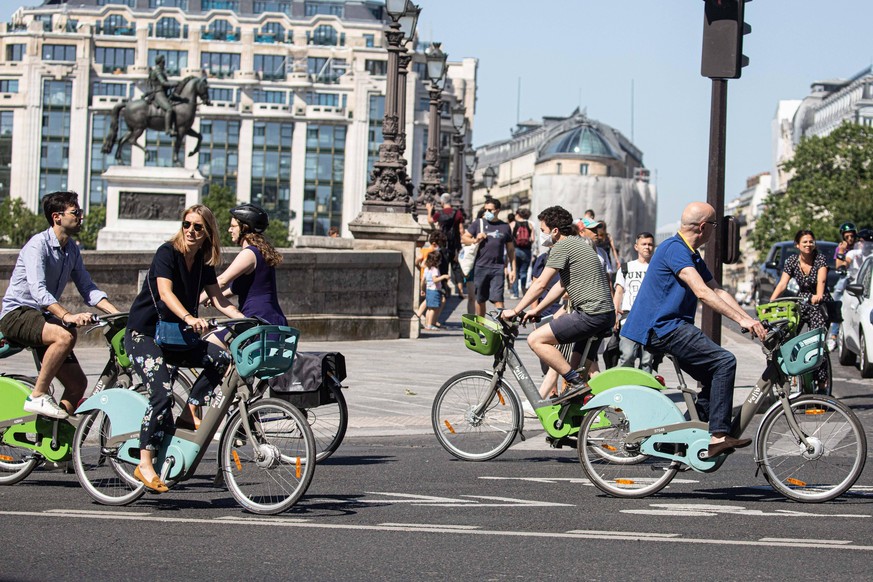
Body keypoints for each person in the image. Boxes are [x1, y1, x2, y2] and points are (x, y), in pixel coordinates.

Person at [621, 202, 766, 458]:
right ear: (703, 227)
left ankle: (680, 439)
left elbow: (717, 289)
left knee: (714, 375)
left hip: (671, 326)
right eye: (714, 225)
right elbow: (702, 292)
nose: (714, 230)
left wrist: (750, 320)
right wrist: (741, 321)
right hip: (663, 327)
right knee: (724, 362)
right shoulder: (675, 250)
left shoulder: (691, 254)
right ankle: (718, 436)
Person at [125, 204, 246, 493]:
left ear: (208, 233)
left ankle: (190, 410)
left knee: (221, 360)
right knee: (162, 394)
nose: (191, 231)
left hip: (175, 337)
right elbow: (165, 293)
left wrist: (248, 320)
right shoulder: (167, 253)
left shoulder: (204, 259)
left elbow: (218, 299)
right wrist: (190, 317)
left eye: (198, 227)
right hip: (145, 334)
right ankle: (144, 462)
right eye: (187, 225)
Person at [0, 191, 119, 419]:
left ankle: (55, 440)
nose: (81, 217)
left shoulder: (72, 249)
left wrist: (119, 315)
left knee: (77, 385)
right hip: (17, 314)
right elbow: (38, 291)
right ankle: (37, 395)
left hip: (38, 316)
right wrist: (67, 316)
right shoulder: (38, 245)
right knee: (64, 335)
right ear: (57, 217)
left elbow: (88, 288)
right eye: (75, 212)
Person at [502, 206, 615, 402]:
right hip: (604, 315)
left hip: (590, 314)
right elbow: (561, 287)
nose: (541, 234)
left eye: (543, 230)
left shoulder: (562, 246)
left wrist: (515, 310)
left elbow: (540, 284)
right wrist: (536, 310)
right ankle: (576, 415)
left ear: (555, 231)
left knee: (535, 340)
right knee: (575, 375)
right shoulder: (579, 245)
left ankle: (576, 383)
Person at [201, 203, 287, 333]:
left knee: (209, 343)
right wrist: (212, 297)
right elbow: (233, 289)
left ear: (244, 228)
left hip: (257, 320)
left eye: (233, 226)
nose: (230, 230)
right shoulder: (260, 252)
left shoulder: (249, 253)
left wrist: (194, 302)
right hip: (270, 319)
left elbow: (222, 280)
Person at [769, 228, 832, 392]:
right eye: (805, 242)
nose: (808, 244)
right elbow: (782, 283)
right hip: (801, 301)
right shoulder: (791, 261)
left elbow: (822, 282)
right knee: (788, 337)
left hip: (819, 304)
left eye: (811, 241)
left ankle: (823, 384)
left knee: (817, 343)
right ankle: (792, 376)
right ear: (797, 245)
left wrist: (817, 295)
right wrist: (772, 300)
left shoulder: (820, 259)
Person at [462, 198, 516, 317]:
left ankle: (502, 326)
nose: (487, 212)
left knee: (498, 299)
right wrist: (475, 239)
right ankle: (481, 326)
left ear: (497, 210)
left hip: (498, 268)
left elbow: (511, 250)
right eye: (485, 209)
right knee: (480, 299)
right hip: (480, 266)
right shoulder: (479, 223)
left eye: (490, 210)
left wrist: (513, 270)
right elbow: (464, 238)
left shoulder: (505, 227)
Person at [614, 232, 655, 372]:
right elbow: (619, 291)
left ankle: (647, 391)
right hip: (628, 318)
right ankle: (624, 387)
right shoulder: (626, 268)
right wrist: (615, 314)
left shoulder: (657, 268)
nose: (647, 247)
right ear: (636, 247)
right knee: (627, 356)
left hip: (650, 319)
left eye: (650, 244)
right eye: (644, 244)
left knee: (647, 360)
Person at [428, 193, 465, 298]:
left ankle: (444, 289)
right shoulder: (457, 213)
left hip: (442, 243)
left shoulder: (439, 214)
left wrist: (429, 210)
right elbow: (461, 230)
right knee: (456, 268)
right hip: (455, 244)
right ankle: (461, 292)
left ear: (442, 202)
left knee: (443, 266)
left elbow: (430, 221)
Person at [828, 222, 858, 350]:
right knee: (837, 300)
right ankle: (833, 335)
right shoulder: (840, 248)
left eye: (852, 236)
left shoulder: (860, 246)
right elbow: (838, 266)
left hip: (859, 276)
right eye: (847, 236)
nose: (850, 239)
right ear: (843, 237)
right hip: (847, 277)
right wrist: (841, 251)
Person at [147, 54, 177, 137]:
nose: (164, 64)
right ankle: (168, 129)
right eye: (163, 62)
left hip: (164, 93)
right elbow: (163, 83)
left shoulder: (160, 70)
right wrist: (174, 84)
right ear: (160, 62)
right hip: (159, 93)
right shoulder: (157, 71)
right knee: (169, 109)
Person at [421, 252, 449, 331]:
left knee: (429, 309)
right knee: (434, 308)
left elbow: (423, 280)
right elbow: (435, 280)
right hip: (434, 290)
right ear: (437, 261)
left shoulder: (427, 269)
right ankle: (430, 324)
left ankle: (427, 324)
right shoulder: (435, 270)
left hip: (428, 289)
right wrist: (444, 276)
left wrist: (422, 289)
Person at [510, 208, 534, 299]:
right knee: (523, 272)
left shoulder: (513, 224)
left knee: (514, 271)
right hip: (526, 251)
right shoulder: (530, 224)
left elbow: (509, 239)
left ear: (518, 215)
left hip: (515, 250)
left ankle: (515, 294)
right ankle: (524, 291)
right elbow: (532, 239)